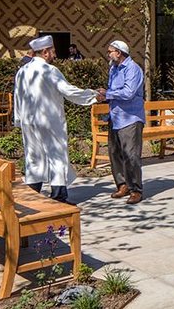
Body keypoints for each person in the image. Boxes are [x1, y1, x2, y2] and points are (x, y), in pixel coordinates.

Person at [13, 35, 102, 203]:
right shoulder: (50, 71)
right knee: (57, 156)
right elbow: (68, 91)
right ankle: (58, 197)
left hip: (28, 121)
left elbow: (17, 97)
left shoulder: (22, 71)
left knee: (33, 156)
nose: (55, 54)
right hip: (49, 121)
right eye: (52, 51)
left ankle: (32, 196)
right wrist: (93, 96)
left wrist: (19, 119)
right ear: (45, 52)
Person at [99, 40, 146, 205]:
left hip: (130, 118)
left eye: (110, 51)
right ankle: (123, 185)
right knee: (115, 153)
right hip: (115, 116)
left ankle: (136, 190)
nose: (108, 54)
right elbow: (113, 90)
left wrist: (108, 94)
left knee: (131, 155)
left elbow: (128, 93)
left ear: (119, 53)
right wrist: (104, 96)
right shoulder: (114, 68)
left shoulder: (133, 69)